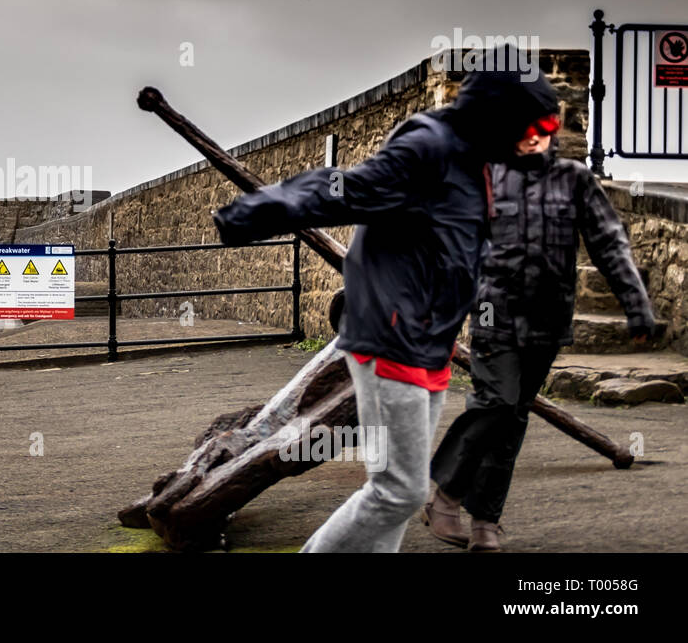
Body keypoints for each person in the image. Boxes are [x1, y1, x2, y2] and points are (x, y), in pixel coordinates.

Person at [212, 64, 559, 553]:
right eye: (537, 128)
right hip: (391, 336)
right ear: (497, 117)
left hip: (430, 341)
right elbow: (341, 188)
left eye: (551, 129)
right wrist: (247, 216)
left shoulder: (484, 160)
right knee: (401, 490)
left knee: (394, 490)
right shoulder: (428, 148)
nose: (542, 140)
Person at [424, 112, 655, 552]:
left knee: (511, 420)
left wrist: (635, 304)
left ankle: (485, 522)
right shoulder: (486, 175)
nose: (531, 138)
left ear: (554, 130)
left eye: (541, 130)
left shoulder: (575, 180)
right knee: (496, 402)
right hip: (494, 311)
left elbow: (608, 241)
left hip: (548, 320)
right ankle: (447, 496)